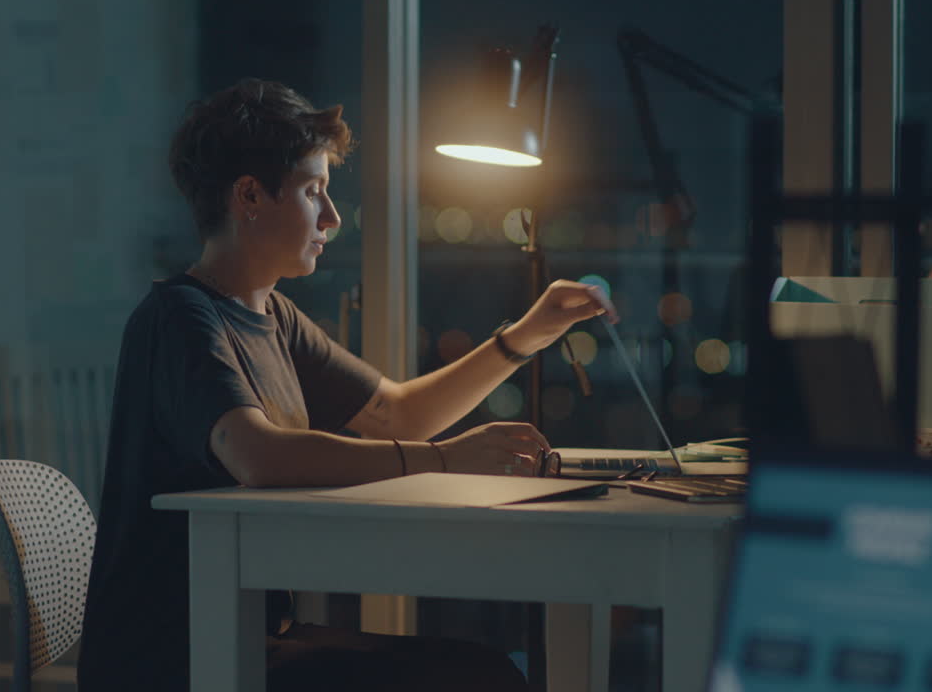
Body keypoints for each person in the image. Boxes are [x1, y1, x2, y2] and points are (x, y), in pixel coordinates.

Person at [76, 78, 617, 692]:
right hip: (176, 658)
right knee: (479, 680)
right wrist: (443, 459)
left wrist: (524, 335)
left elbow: (395, 413)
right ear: (249, 195)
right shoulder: (178, 318)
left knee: (485, 671)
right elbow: (257, 454)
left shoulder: (273, 316)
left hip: (248, 634)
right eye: (314, 192)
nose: (331, 216)